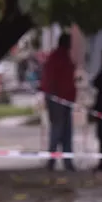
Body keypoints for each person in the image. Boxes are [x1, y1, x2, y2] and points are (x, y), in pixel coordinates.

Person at [40, 33, 78, 171]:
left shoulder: (64, 57)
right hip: (57, 100)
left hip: (66, 99)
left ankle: (68, 161)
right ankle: (52, 160)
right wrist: (52, 97)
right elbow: (50, 80)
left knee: (67, 131)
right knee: (57, 130)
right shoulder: (56, 58)